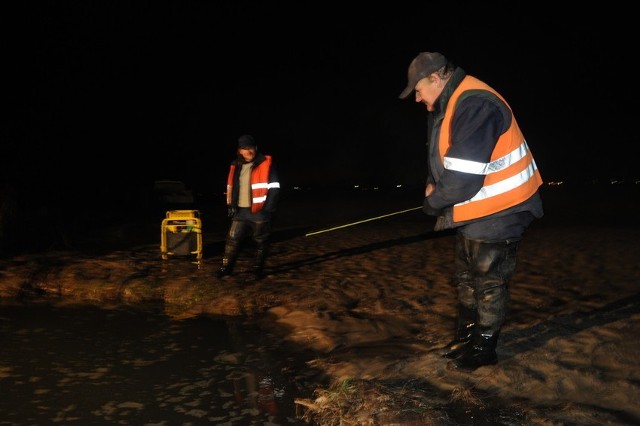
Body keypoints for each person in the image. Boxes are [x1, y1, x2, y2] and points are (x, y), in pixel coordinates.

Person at [399, 52, 544, 371]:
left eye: (418, 90)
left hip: (504, 208)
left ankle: (484, 347)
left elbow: (464, 179)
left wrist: (432, 203)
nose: (417, 97)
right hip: (476, 208)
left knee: (488, 280)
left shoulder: (474, 102)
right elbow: (444, 159)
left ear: (436, 78)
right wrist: (432, 185)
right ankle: (466, 336)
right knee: (466, 276)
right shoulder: (448, 103)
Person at [216, 134, 280, 279]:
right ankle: (226, 268)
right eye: (245, 148)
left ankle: (258, 270)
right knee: (232, 240)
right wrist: (231, 206)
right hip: (240, 212)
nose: (248, 151)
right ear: (240, 151)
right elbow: (233, 188)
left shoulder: (267, 163)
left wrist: (267, 210)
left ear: (255, 148)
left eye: (250, 148)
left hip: (260, 212)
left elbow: (275, 188)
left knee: (261, 242)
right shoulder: (236, 165)